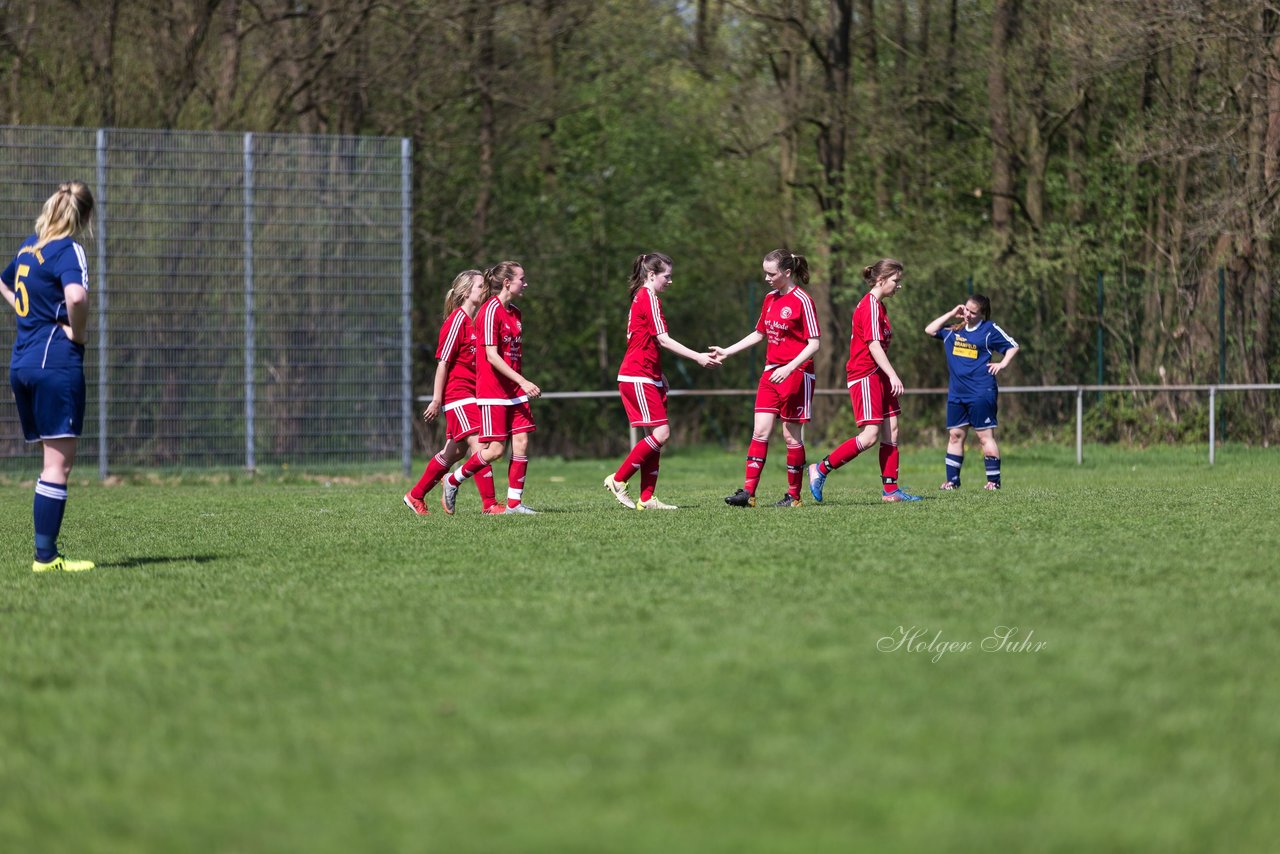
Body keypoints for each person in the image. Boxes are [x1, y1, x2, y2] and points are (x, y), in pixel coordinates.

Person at [0, 182, 97, 572]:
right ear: (84, 218)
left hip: (22, 364)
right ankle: (46, 557)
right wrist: (78, 332)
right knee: (57, 465)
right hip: (54, 362)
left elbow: (4, 281)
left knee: (49, 462)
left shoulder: (28, 248)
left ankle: (46, 554)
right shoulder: (67, 249)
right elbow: (76, 297)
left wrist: (27, 315)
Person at [603, 253, 720, 510]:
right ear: (651, 275)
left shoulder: (643, 298)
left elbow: (646, 341)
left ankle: (647, 498)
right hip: (637, 375)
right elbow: (664, 339)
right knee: (661, 433)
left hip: (648, 374)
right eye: (667, 276)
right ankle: (618, 479)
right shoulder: (648, 298)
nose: (670, 281)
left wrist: (659, 372)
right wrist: (698, 357)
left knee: (652, 437)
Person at [711, 249, 821, 508]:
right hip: (771, 373)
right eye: (765, 273)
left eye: (771, 273)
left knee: (791, 437)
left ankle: (794, 497)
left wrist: (791, 367)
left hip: (797, 374)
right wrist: (727, 351)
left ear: (787, 272)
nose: (767, 278)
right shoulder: (770, 299)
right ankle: (748, 493)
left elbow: (814, 343)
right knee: (759, 431)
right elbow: (759, 333)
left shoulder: (803, 300)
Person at [807, 258, 923, 504]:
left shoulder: (880, 306)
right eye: (896, 281)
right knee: (870, 436)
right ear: (881, 280)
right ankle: (821, 469)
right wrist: (892, 374)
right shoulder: (869, 305)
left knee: (891, 430)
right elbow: (873, 345)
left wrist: (887, 375)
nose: (898, 286)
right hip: (865, 374)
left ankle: (891, 491)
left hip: (878, 374)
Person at [440, 261, 541, 514]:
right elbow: (492, 357)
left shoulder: (515, 312)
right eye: (522, 279)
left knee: (521, 441)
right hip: (494, 390)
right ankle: (453, 480)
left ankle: (515, 504)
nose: (525, 283)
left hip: (514, 390)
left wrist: (519, 382)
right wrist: (523, 381)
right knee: (495, 450)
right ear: (507, 283)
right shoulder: (489, 311)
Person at [403, 269, 502, 515]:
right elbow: (443, 363)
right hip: (458, 395)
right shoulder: (456, 321)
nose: (484, 290)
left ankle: (415, 496)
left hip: (474, 394)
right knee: (481, 444)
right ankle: (489, 504)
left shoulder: (477, 321)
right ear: (466, 292)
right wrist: (437, 400)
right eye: (480, 286)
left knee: (454, 451)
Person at [924, 294, 1020, 490]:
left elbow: (1013, 346)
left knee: (984, 438)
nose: (967, 314)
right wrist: (952, 313)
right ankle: (952, 481)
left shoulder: (989, 329)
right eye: (966, 309)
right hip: (957, 394)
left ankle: (993, 482)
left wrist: (1002, 364)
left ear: (982, 314)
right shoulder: (954, 331)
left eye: (972, 312)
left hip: (981, 392)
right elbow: (930, 329)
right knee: (955, 436)